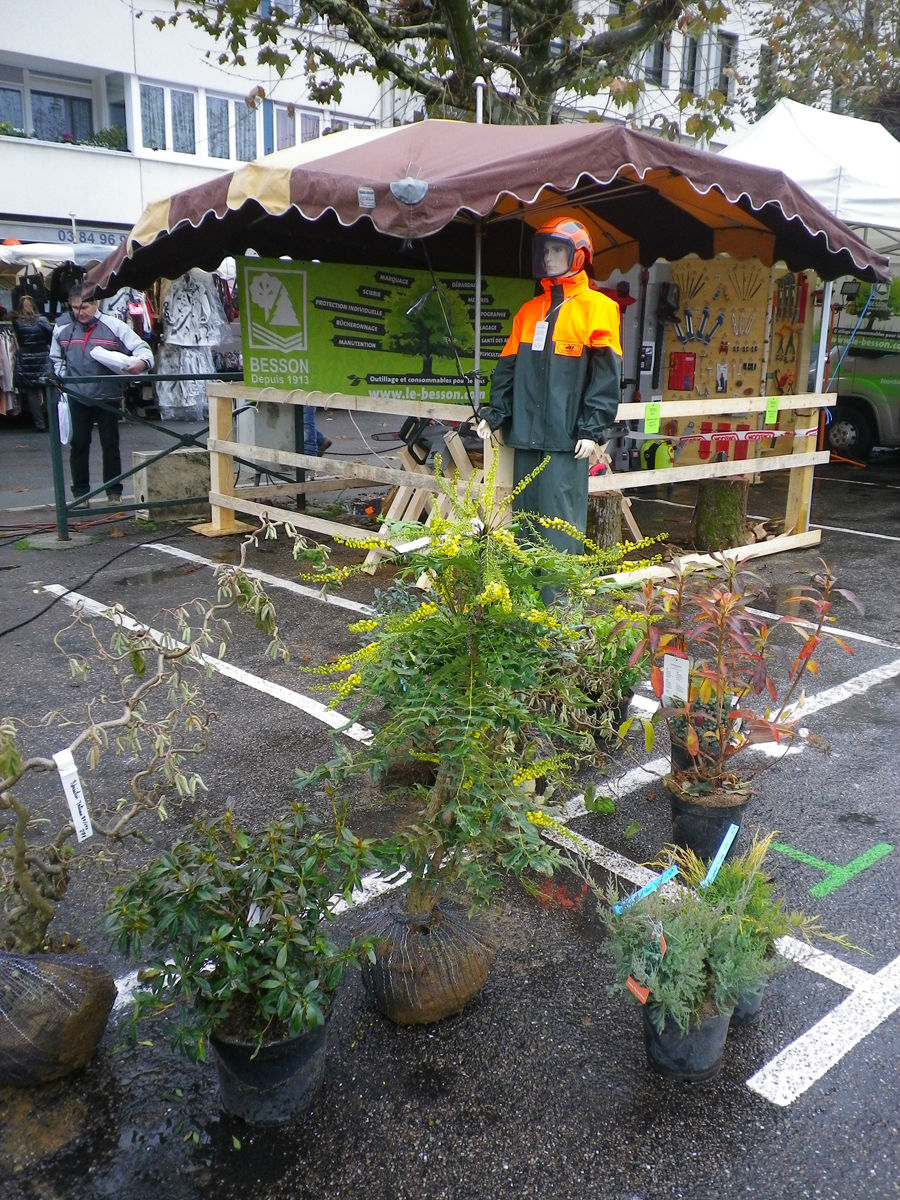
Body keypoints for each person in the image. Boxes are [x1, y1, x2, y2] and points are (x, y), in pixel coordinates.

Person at [476, 216, 622, 553]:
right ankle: (524, 601)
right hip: (524, 437)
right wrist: (494, 412)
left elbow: (606, 378)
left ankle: (556, 605)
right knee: (524, 524)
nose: (548, 257)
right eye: (545, 250)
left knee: (558, 528)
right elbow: (507, 369)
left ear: (579, 255)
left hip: (566, 439)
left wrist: (591, 428)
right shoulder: (530, 311)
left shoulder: (599, 309)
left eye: (557, 250)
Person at [50, 283, 153, 502]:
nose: (80, 313)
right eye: (76, 308)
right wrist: (61, 381)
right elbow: (56, 358)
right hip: (77, 396)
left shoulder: (114, 325)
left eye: (85, 307)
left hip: (108, 395)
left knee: (110, 444)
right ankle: (81, 494)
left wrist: (141, 364)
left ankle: (113, 493)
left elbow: (143, 349)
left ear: (96, 303)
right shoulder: (62, 328)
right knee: (78, 445)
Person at [12, 295, 54, 431]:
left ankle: (39, 424)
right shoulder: (42, 320)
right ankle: (52, 421)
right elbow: (51, 337)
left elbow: (19, 341)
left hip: (26, 359)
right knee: (48, 390)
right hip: (43, 357)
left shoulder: (17, 322)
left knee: (32, 393)